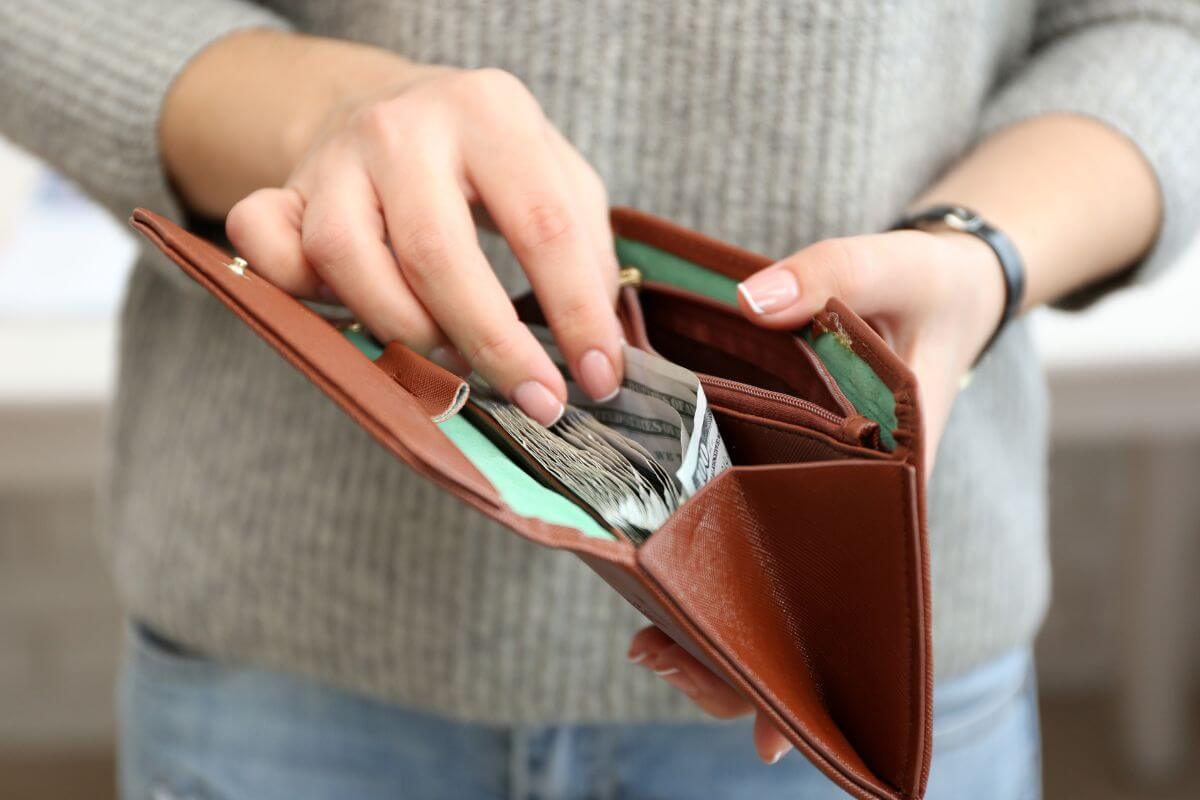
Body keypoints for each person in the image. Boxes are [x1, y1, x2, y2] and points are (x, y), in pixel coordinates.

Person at [2, 1, 1196, 798]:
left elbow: (1160, 33)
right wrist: (318, 112)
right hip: (287, 667)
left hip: (860, 653)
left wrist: (981, 248)